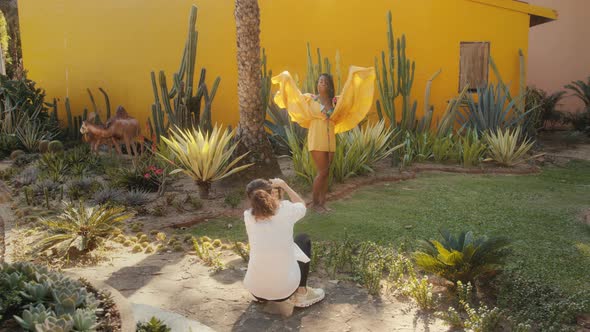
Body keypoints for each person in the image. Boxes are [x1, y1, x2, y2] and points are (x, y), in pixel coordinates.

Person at [273, 66, 376, 212]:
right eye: (320, 81)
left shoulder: (335, 102)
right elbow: (294, 98)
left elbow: (349, 98)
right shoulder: (310, 99)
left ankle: (323, 203)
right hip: (317, 137)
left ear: (329, 85)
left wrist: (354, 78)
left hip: (330, 138)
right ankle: (315, 204)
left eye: (324, 81)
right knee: (321, 172)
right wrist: (287, 80)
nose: (321, 83)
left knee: (327, 172)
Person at [243, 178, 325, 313]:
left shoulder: (247, 216)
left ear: (250, 198)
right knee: (302, 240)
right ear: (272, 193)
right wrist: (284, 185)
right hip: (284, 292)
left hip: (255, 290)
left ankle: (263, 295)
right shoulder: (285, 209)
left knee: (275, 249)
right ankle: (302, 294)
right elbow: (301, 204)